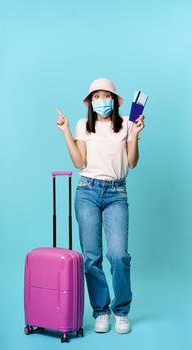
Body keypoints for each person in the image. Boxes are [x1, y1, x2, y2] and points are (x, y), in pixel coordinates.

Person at [56, 77, 145, 334]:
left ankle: (122, 310)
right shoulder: (84, 125)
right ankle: (101, 311)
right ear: (90, 102)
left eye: (105, 96)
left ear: (114, 101)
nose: (100, 100)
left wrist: (136, 135)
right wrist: (65, 132)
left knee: (119, 255)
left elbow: (132, 162)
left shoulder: (127, 124)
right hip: (87, 191)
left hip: (117, 193)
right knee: (91, 258)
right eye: (95, 96)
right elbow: (78, 161)